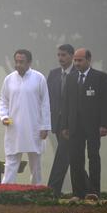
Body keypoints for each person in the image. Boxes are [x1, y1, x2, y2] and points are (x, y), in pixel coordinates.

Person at [61, 48, 107, 201]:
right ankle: (78, 193)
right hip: (74, 127)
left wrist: (104, 124)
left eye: (79, 60)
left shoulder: (100, 77)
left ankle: (94, 191)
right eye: (75, 60)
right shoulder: (70, 78)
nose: (76, 63)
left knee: (93, 157)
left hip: (93, 126)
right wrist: (65, 125)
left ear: (89, 60)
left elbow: (106, 102)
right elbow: (66, 103)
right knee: (75, 159)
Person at [0, 49, 51, 185]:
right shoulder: (9, 79)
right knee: (11, 162)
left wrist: (45, 126)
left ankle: (36, 191)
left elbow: (45, 104)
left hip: (35, 128)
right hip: (14, 128)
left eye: (21, 62)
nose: (18, 65)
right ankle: (6, 192)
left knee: (36, 165)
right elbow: (3, 101)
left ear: (29, 62)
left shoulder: (39, 78)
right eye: (16, 61)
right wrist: (4, 116)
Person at [47, 44, 89, 198]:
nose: (60, 58)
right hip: (58, 123)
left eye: (64, 55)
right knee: (73, 155)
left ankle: (52, 190)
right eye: (58, 55)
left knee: (63, 154)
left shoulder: (79, 75)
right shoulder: (54, 74)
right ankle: (89, 188)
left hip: (73, 124)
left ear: (72, 56)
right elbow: (48, 99)